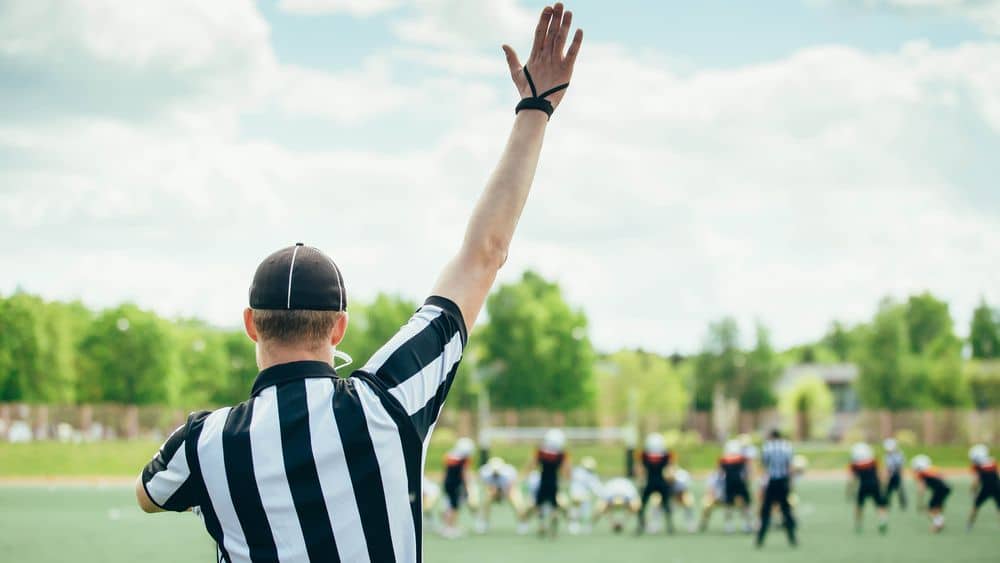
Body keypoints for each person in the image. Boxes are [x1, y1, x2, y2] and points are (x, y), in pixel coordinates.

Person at [133, 5, 585, 562]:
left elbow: (148, 496)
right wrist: (534, 110)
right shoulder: (388, 401)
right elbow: (482, 258)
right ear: (339, 327)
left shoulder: (204, 442)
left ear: (251, 324)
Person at [755, 429, 797, 548]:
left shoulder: (767, 447)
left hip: (772, 482)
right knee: (786, 510)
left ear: (771, 436)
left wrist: (762, 483)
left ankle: (760, 538)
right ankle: (792, 537)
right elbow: (790, 466)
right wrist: (791, 482)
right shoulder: (787, 447)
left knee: (766, 510)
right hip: (783, 481)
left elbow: (764, 465)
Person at [527, 428, 571, 537]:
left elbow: (532, 464)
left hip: (543, 481)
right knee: (554, 505)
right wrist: (568, 479)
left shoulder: (541, 452)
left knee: (539, 504)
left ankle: (541, 525)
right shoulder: (561, 454)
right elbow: (566, 469)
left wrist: (527, 474)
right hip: (554, 482)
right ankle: (553, 528)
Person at [637, 432, 674, 534]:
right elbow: (670, 470)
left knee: (643, 504)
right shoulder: (665, 455)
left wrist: (640, 480)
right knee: (665, 504)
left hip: (650, 482)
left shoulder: (645, 455)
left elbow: (640, 469)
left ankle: (641, 526)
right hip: (660, 482)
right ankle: (670, 526)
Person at [848, 442, 888, 534]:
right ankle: (882, 520)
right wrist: (883, 484)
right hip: (875, 485)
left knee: (859, 506)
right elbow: (881, 474)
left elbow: (852, 479)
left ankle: (859, 523)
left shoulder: (854, 465)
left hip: (863, 486)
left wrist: (849, 490)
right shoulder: (874, 462)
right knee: (880, 505)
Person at [441, 437, 475, 538]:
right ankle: (450, 527)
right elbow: (465, 474)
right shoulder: (463, 460)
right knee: (454, 507)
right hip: (455, 485)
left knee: (449, 505)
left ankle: (448, 526)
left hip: (447, 484)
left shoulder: (449, 456)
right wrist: (467, 486)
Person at [476, 456, 521, 533]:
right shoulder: (484, 472)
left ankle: (521, 522)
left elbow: (511, 488)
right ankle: (484, 522)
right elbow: (486, 487)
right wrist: (493, 491)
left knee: (516, 502)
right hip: (492, 491)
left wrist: (505, 493)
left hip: (507, 490)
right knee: (487, 500)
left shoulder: (509, 473)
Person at [719, 439, 753, 534]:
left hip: (730, 484)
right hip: (739, 484)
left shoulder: (724, 460)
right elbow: (747, 472)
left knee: (730, 505)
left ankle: (730, 525)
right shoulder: (741, 459)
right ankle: (746, 524)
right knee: (744, 504)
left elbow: (721, 474)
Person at [912, 454, 951, 533]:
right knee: (937, 507)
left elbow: (921, 489)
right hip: (946, 489)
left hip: (939, 490)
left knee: (929, 509)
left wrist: (920, 502)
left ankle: (938, 524)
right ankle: (939, 522)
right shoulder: (932, 470)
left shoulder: (921, 474)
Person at [967, 444, 999, 531]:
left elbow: (976, 481)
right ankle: (969, 524)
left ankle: (969, 524)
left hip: (985, 489)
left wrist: (972, 490)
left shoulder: (977, 467)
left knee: (975, 507)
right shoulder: (993, 462)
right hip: (997, 487)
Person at [568, 456, 603, 534]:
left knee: (585, 512)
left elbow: (597, 488)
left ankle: (583, 525)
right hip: (577, 495)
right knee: (577, 510)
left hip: (584, 497)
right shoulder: (578, 472)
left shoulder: (590, 475)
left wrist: (601, 495)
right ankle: (574, 524)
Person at [669, 467, 697, 532]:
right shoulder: (662, 471)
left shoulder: (682, 473)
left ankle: (690, 524)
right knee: (657, 501)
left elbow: (684, 488)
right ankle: (655, 524)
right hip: (669, 496)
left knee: (689, 502)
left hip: (682, 495)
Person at [882, 438, 907, 510]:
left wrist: (900, 475)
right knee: (888, 490)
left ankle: (903, 504)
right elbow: (887, 467)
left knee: (900, 489)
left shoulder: (898, 454)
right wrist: (886, 476)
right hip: (891, 474)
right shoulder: (887, 455)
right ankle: (886, 503)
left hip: (896, 474)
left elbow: (900, 466)